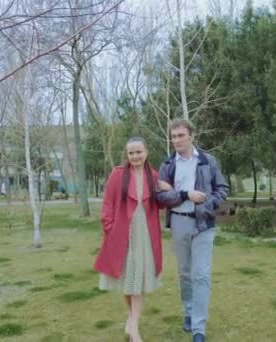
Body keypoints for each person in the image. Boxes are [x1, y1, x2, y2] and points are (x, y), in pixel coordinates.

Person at [157, 119, 228, 342]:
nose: (176, 140)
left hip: (203, 224)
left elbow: (222, 189)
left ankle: (199, 328)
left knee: (201, 275)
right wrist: (186, 194)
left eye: (181, 135)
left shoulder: (208, 161)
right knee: (185, 274)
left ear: (191, 136)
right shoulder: (167, 165)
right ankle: (188, 313)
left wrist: (207, 205)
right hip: (178, 222)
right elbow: (160, 196)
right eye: (173, 136)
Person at [93, 137, 163, 342]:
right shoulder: (118, 174)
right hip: (122, 233)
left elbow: (162, 203)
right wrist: (109, 227)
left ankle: (133, 327)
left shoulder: (154, 175)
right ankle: (132, 320)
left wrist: (170, 190)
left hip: (145, 234)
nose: (135, 156)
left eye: (138, 152)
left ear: (146, 152)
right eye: (131, 153)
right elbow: (107, 202)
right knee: (126, 279)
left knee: (139, 280)